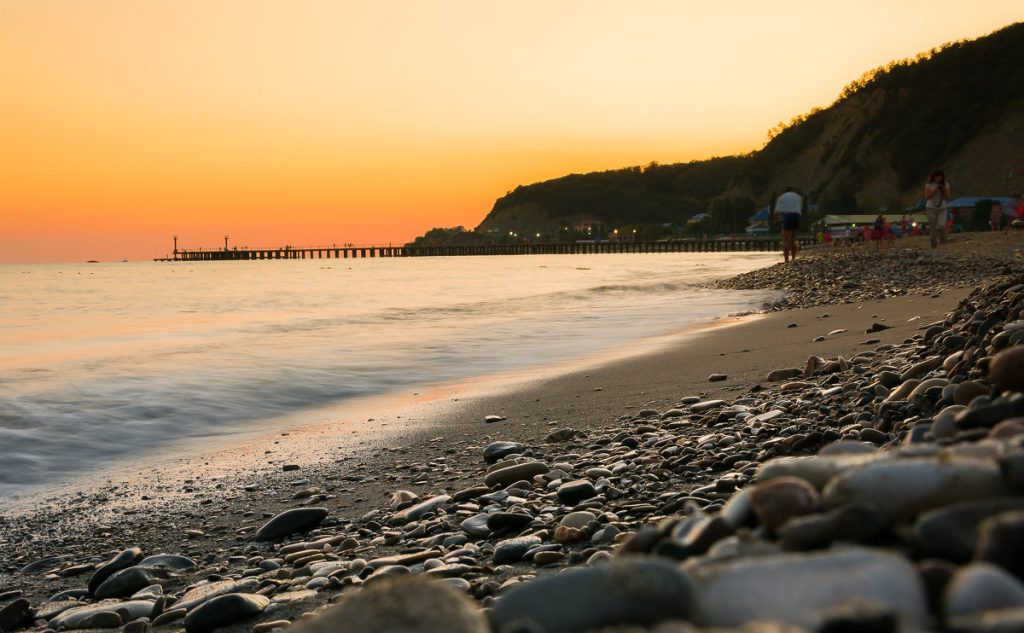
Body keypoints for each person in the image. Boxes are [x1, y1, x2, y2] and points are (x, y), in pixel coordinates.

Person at [773, 187, 803, 262]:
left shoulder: (781, 197)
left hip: (788, 216)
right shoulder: (798, 197)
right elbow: (800, 208)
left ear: (785, 191)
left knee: (785, 240)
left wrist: (776, 221)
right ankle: (793, 258)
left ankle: (786, 260)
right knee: (792, 239)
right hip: (797, 216)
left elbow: (776, 211)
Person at [923, 168, 950, 249]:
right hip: (930, 208)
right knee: (933, 227)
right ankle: (933, 244)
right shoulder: (929, 185)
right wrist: (934, 191)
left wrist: (944, 190)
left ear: (942, 177)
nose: (938, 178)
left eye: (940, 177)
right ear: (933, 177)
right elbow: (927, 196)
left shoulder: (946, 184)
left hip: (942, 208)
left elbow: (948, 197)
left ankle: (942, 241)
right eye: (936, 177)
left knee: (941, 226)